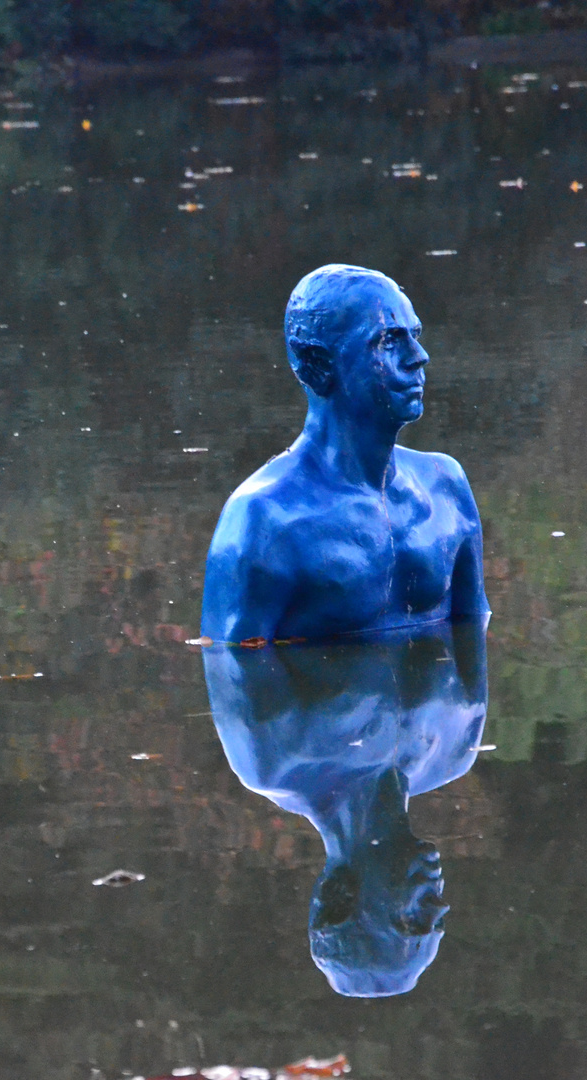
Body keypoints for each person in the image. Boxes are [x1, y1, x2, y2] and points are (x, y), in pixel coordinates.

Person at [200, 264, 488, 644]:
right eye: (388, 340)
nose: (419, 357)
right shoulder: (264, 521)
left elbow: (473, 640)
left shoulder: (445, 485)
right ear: (318, 366)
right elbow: (234, 679)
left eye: (415, 335)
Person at [203, 619, 489, 997]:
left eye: (413, 919)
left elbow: (232, 617)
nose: (441, 908)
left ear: (339, 897)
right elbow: (471, 618)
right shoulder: (455, 753)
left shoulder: (269, 757)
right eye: (435, 922)